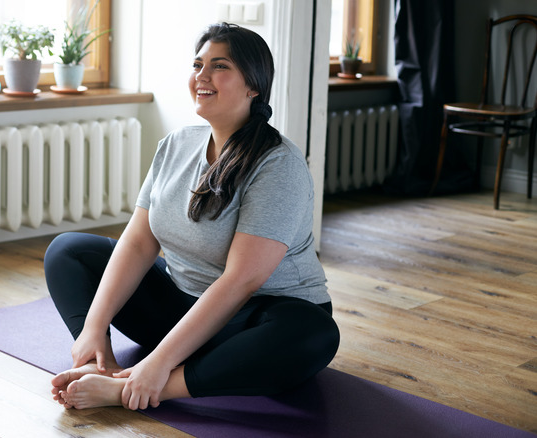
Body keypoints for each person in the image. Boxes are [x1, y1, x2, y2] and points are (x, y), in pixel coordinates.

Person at [43, 22, 340, 411]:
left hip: (251, 319)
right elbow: (137, 241)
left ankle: (140, 388)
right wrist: (93, 328)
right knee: (69, 250)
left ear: (253, 85)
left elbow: (240, 282)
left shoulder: (278, 164)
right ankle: (102, 364)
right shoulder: (176, 144)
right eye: (198, 64)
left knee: (314, 335)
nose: (202, 75)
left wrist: (156, 366)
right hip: (180, 306)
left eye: (220, 66)